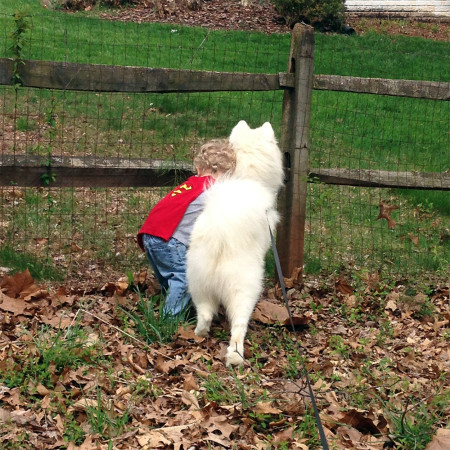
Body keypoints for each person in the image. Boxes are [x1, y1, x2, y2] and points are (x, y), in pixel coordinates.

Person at [137, 139, 236, 316]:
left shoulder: (191, 185)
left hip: (150, 235)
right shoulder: (215, 189)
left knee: (173, 280)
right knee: (185, 279)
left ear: (198, 169)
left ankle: (182, 311)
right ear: (225, 174)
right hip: (170, 240)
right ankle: (168, 322)